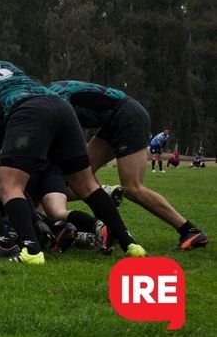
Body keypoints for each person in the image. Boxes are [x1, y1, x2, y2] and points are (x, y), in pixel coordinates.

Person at [0, 49, 146, 264]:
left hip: (28, 111)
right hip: (61, 107)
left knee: (9, 187)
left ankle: (31, 250)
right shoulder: (0, 63)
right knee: (87, 185)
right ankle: (130, 243)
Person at [49, 80, 208, 251]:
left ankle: (189, 230)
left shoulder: (52, 99)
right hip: (113, 120)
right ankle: (108, 218)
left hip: (127, 116)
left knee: (133, 188)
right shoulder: (49, 95)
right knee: (79, 181)